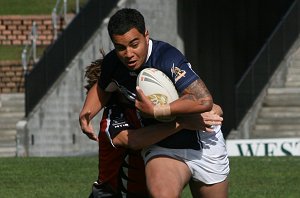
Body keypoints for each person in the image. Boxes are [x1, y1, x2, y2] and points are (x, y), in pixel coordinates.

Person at [80, 8, 229, 197]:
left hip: (203, 140)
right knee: (162, 194)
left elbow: (205, 100)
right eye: (120, 48)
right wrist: (86, 114)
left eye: (134, 44)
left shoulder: (167, 57)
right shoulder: (113, 64)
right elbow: (102, 87)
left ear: (146, 35)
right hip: (163, 145)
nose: (129, 54)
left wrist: (158, 110)